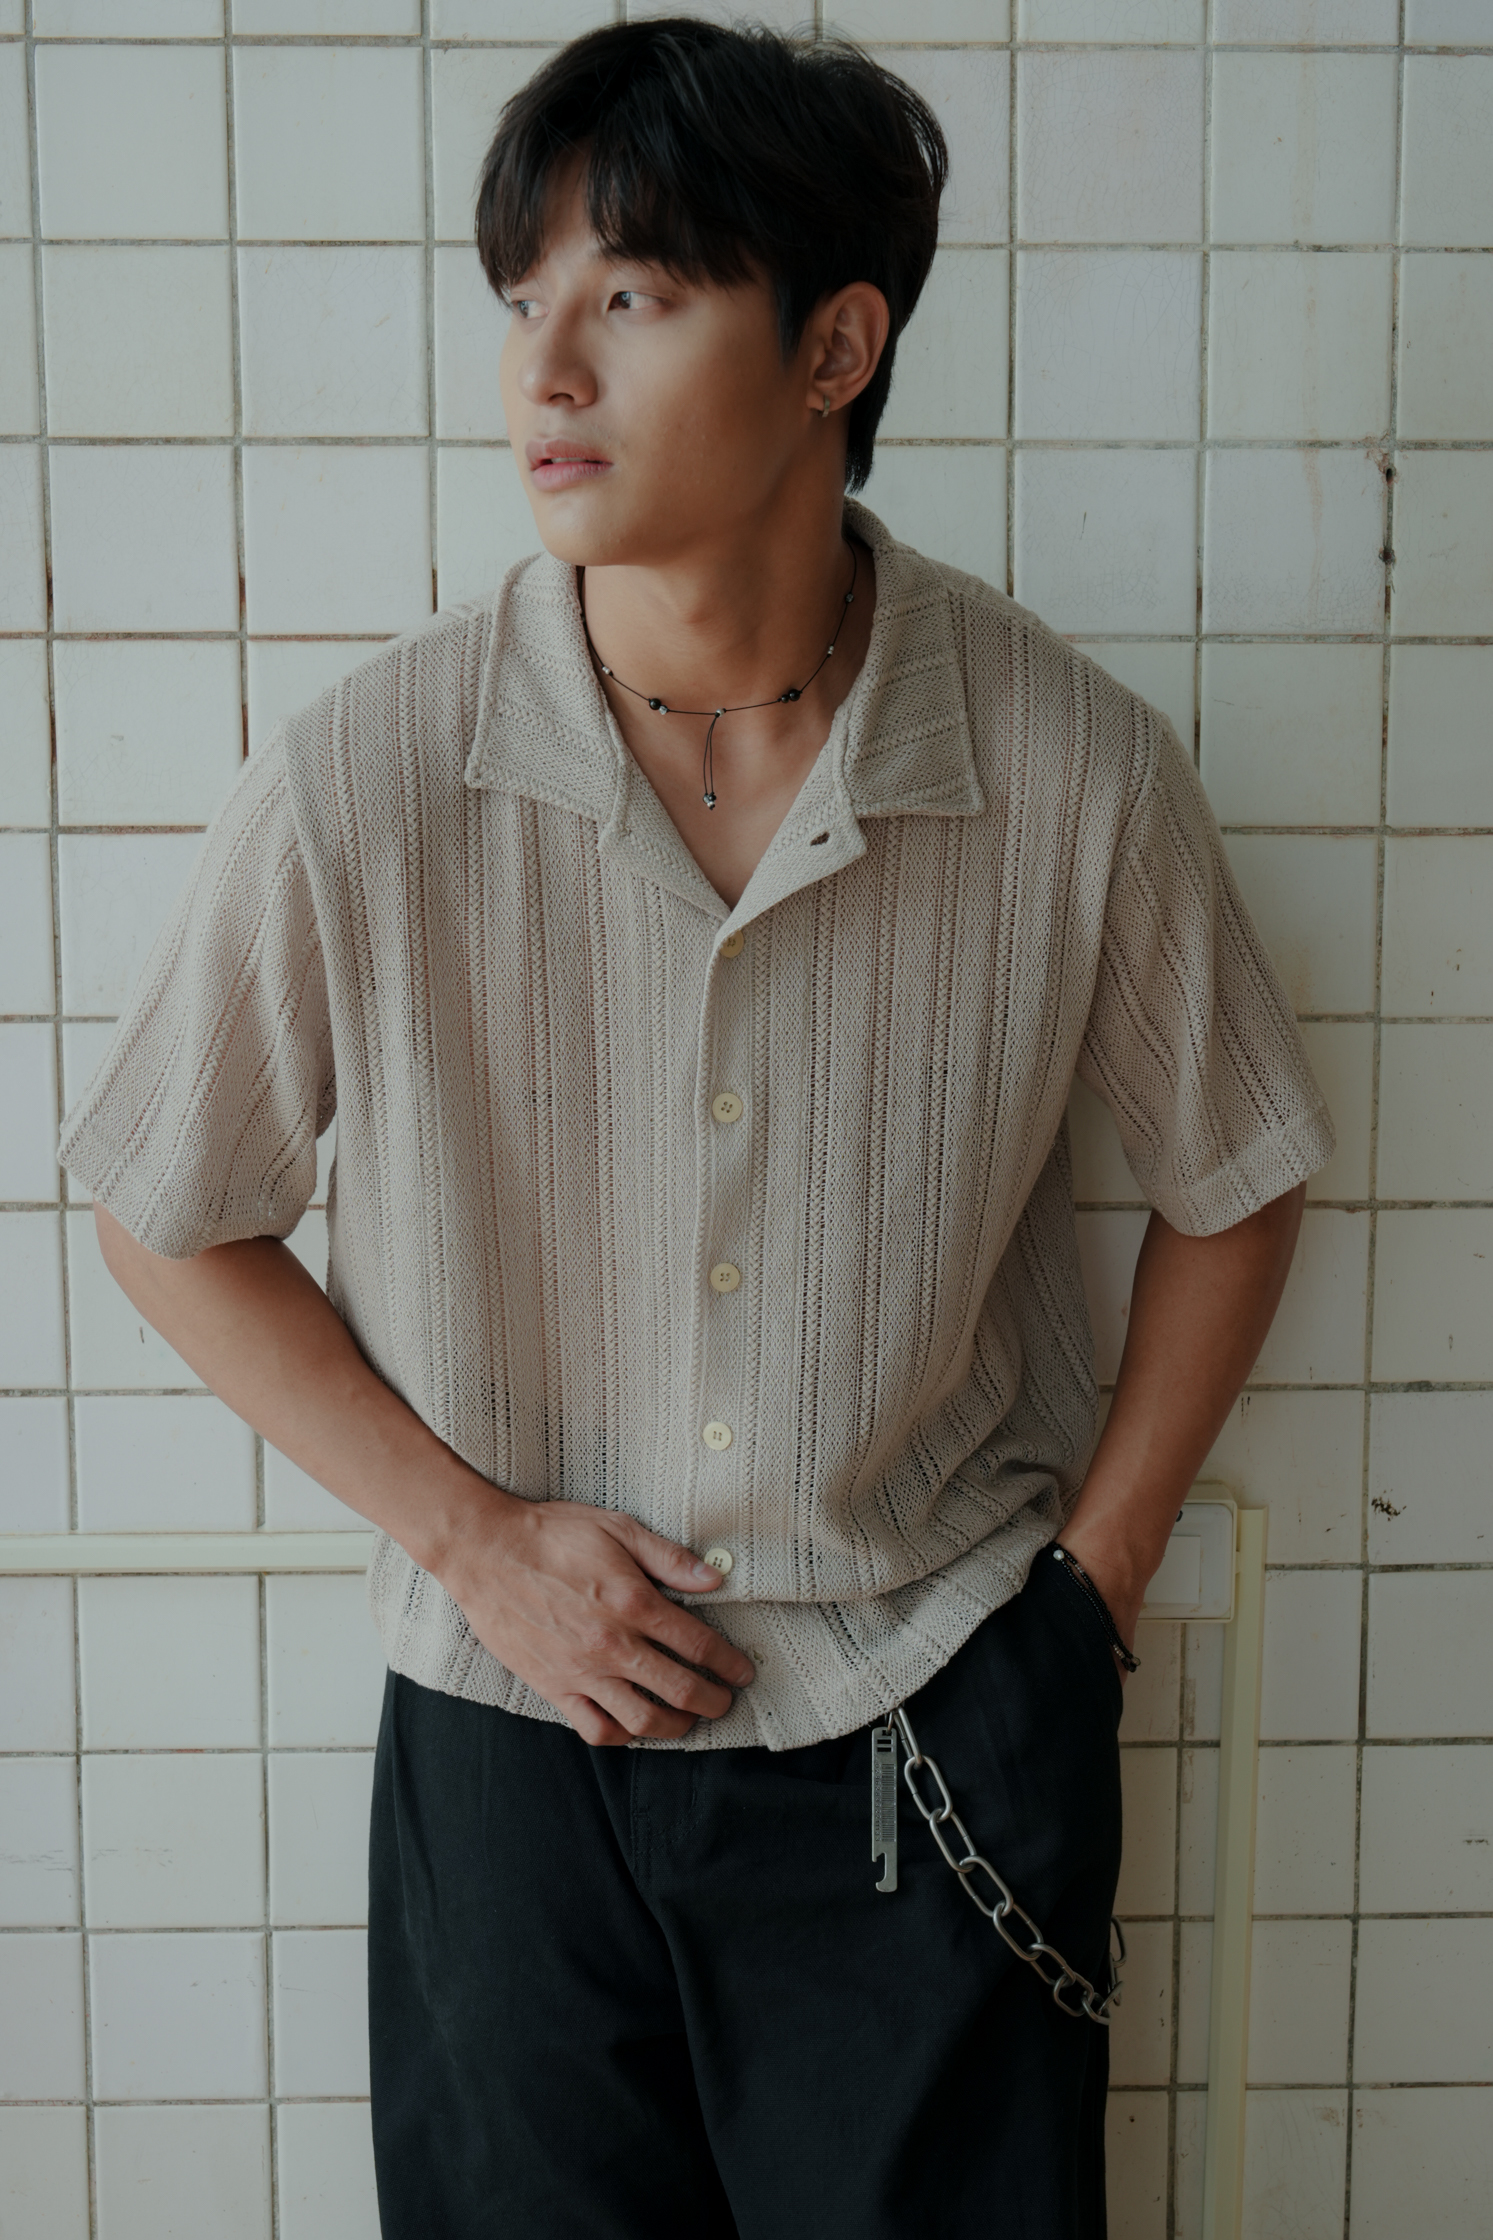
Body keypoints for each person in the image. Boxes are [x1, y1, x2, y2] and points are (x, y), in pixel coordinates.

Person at [59, 17, 1334, 2238]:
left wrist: (1091, 1599)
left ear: (836, 345)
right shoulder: (368, 778)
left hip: (934, 1727)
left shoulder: (1070, 769)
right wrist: (474, 1542)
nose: (542, 372)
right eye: (521, 300)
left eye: (632, 295)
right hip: (512, 1756)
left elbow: (1235, 1174)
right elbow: (168, 1207)